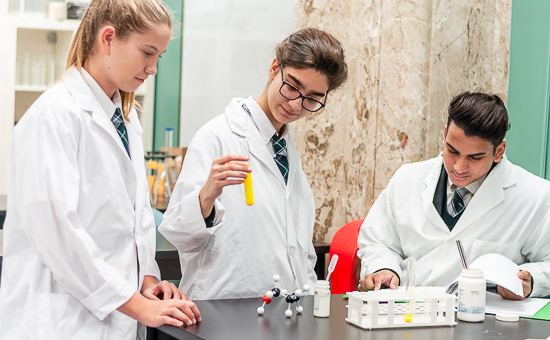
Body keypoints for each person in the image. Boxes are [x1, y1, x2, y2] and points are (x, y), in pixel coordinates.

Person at [0, 0, 201, 338]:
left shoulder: (125, 119)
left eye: (159, 57)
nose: (153, 69)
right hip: (60, 323)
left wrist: (147, 280)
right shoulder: (54, 117)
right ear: (108, 39)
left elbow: (134, 223)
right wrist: (139, 306)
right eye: (147, 53)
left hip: (113, 319)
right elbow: (59, 236)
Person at [159, 28, 348, 300]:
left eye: (312, 98)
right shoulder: (216, 136)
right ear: (274, 69)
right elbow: (179, 235)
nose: (296, 105)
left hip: (283, 312)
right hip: (222, 307)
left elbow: (298, 248)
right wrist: (206, 196)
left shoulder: (286, 150)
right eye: (292, 87)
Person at [357, 92, 550, 299]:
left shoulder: (536, 196)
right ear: (445, 134)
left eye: (475, 157)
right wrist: (384, 269)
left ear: (499, 151)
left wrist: (533, 281)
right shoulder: (407, 179)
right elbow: (378, 242)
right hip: (407, 310)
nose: (459, 167)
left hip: (481, 319)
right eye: (452, 150)